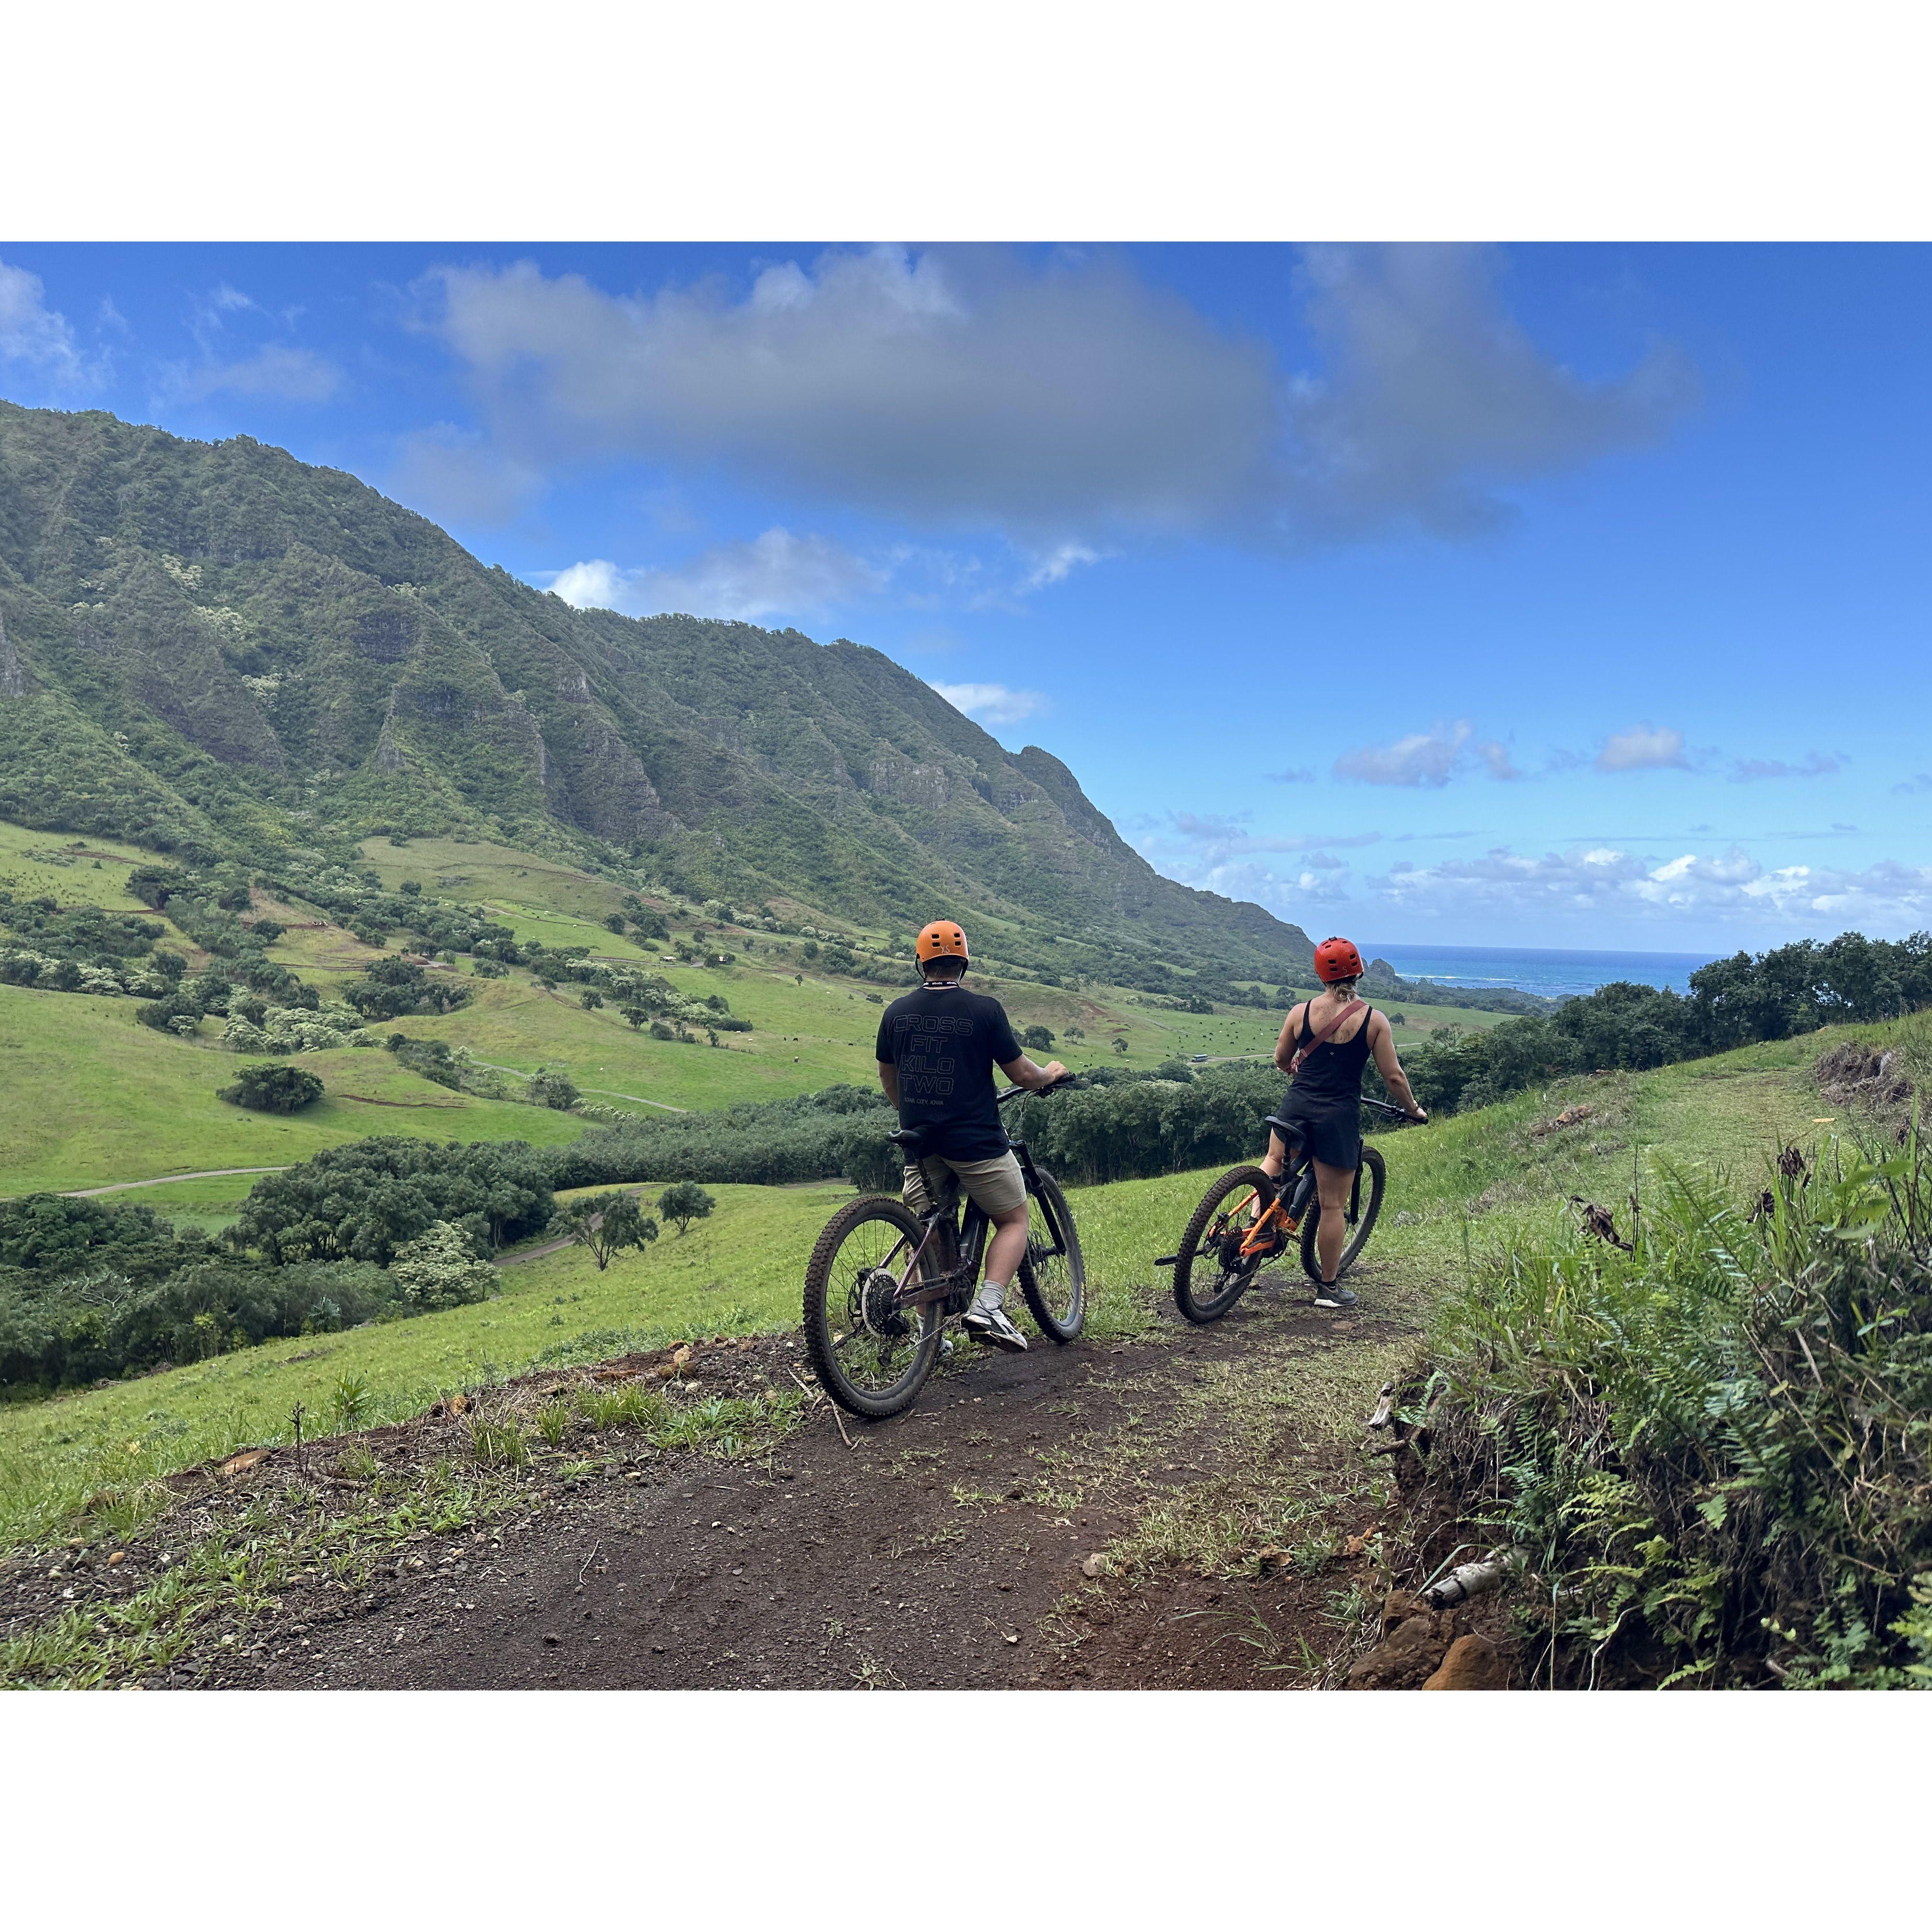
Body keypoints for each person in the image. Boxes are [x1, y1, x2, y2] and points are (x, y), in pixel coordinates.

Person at [875, 919, 1067, 1352]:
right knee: (1014, 1220)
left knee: (926, 1233)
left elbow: (889, 1077)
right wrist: (1051, 1074)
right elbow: (1023, 1075)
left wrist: (916, 1116)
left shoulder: (895, 1013)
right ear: (963, 963)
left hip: (919, 1142)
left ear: (921, 962)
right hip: (974, 1142)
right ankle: (989, 1307)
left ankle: (929, 1335)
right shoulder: (985, 1010)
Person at [1263, 935, 1426, 1311]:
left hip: (1296, 1106)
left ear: (1320, 975)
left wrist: (1294, 1069)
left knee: (1272, 1165)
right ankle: (1328, 1288)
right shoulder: (1374, 1021)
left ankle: (1253, 1234)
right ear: (1359, 973)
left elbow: (1281, 1059)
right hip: (1337, 1118)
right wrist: (1413, 1109)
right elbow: (1394, 1077)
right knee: (1333, 1206)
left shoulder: (1300, 1012)